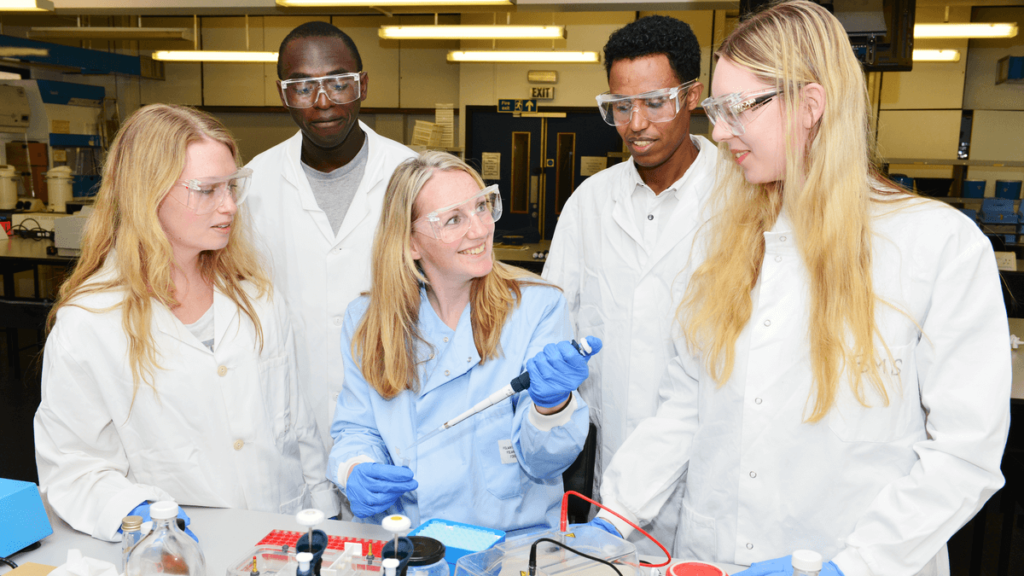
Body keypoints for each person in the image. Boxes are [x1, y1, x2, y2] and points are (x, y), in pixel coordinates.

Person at [591, 2, 1010, 575]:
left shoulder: (938, 247)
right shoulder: (726, 242)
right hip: (711, 556)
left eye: (737, 108)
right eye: (716, 108)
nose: (717, 130)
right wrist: (611, 518)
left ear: (810, 106)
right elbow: (683, 408)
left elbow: (965, 453)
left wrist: (849, 567)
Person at [34, 104, 339, 542]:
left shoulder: (255, 296)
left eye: (232, 186)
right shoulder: (90, 322)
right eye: (207, 189)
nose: (229, 205)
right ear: (147, 193)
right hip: (179, 549)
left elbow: (298, 429)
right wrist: (137, 513)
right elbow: (73, 464)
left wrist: (325, 517)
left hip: (281, 536)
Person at [327, 151, 599, 532]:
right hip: (407, 539)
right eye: (454, 219)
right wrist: (355, 468)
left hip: (509, 545)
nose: (480, 229)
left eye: (482, 207)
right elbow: (357, 428)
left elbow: (545, 463)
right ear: (410, 244)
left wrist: (551, 407)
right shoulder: (369, 319)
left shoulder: (537, 306)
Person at [541, 14, 718, 550]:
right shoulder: (590, 203)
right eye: (621, 106)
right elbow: (553, 320)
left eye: (655, 103)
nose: (635, 123)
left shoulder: (743, 200)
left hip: (711, 474)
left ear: (692, 96)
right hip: (611, 466)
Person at [245, 21, 416, 455]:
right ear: (283, 94)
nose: (323, 103)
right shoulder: (252, 184)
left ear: (362, 85)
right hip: (286, 414)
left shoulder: (412, 175)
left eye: (339, 83)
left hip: (393, 406)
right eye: (302, 88)